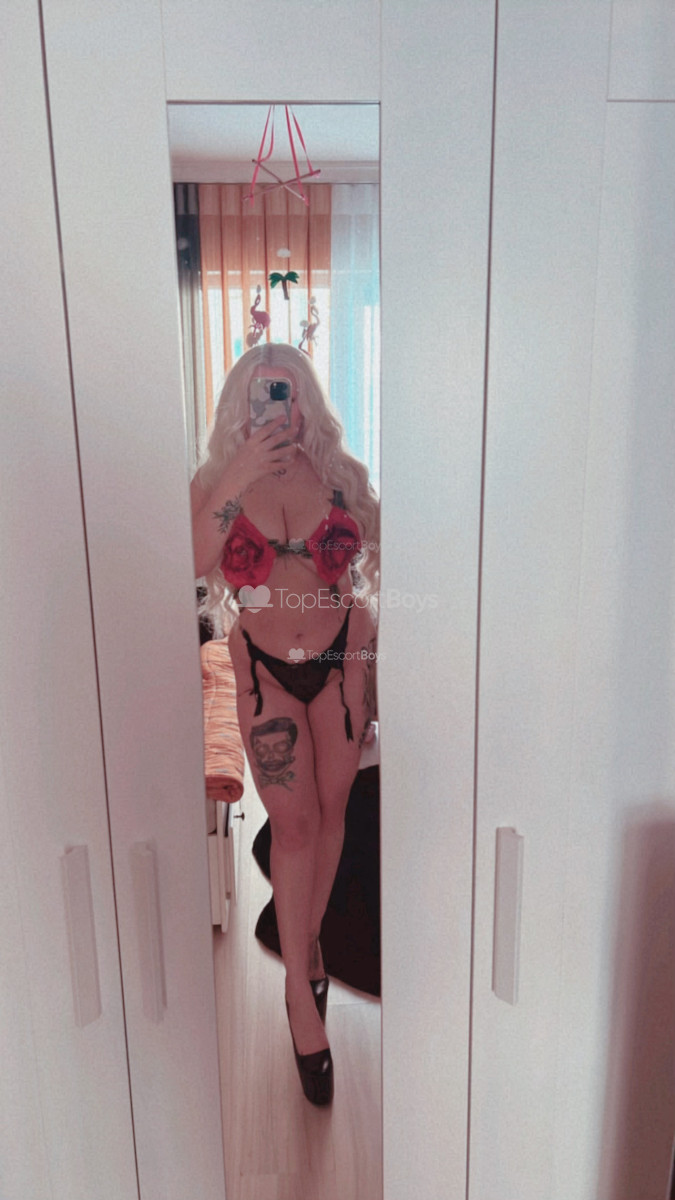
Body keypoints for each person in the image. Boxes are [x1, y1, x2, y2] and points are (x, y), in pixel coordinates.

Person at [190, 343, 379, 1106]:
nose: (283, 409)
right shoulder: (217, 480)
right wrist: (238, 475)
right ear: (242, 402)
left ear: (311, 403)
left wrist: (368, 629)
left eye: (293, 393)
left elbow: (383, 547)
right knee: (294, 825)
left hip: (340, 664)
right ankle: (300, 993)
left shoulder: (337, 473)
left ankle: (307, 944)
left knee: (332, 813)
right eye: (267, 394)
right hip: (264, 670)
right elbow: (192, 557)